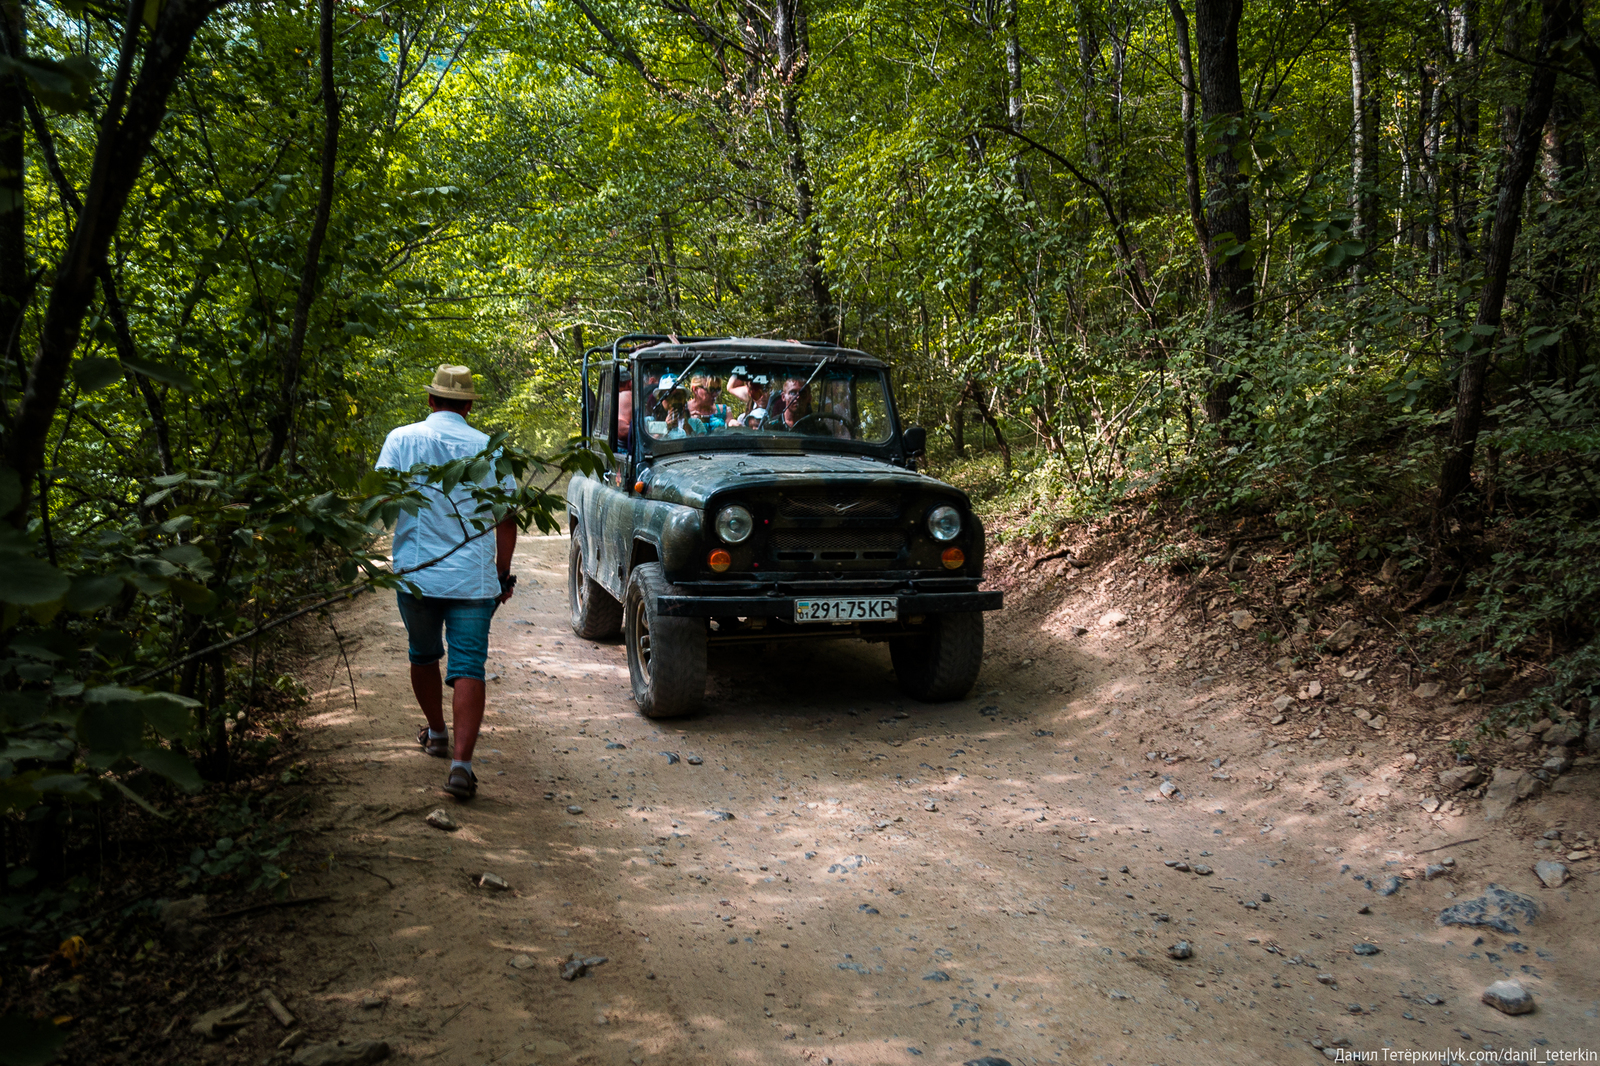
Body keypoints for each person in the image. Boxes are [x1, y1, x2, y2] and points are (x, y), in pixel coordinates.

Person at [375, 364, 517, 801]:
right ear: (470, 405)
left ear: (431, 400)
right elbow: (507, 517)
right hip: (472, 580)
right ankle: (461, 765)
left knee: (422, 654)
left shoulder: (401, 439)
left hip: (417, 574)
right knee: (469, 666)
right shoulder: (491, 449)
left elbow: (382, 498)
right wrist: (501, 574)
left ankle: (436, 733)